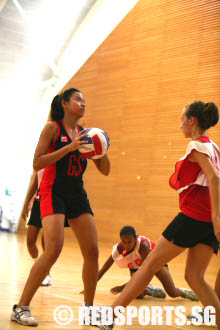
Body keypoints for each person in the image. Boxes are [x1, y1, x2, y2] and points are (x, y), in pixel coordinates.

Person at [96, 101, 220, 330]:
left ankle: (110, 316)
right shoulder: (213, 146)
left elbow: (214, 178)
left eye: (182, 119)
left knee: (149, 265)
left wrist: (216, 217)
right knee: (195, 277)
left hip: (194, 217)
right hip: (206, 224)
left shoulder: (197, 145)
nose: (180, 124)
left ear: (192, 121)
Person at [11, 88, 110, 326]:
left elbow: (105, 170)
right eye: (78, 99)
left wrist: (101, 147)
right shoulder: (53, 128)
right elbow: (37, 162)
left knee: (93, 251)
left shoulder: (86, 133)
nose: (83, 103)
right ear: (64, 104)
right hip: (53, 190)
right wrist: (69, 147)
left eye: (85, 99)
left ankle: (88, 310)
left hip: (77, 193)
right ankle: (21, 307)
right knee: (54, 248)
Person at [97, 225, 198, 301]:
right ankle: (149, 289)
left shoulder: (143, 246)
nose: (126, 245)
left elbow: (145, 272)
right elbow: (105, 267)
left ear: (135, 238)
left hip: (156, 263)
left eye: (129, 242)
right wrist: (91, 285)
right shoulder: (120, 247)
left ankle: (185, 293)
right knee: (137, 294)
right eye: (124, 241)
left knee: (172, 292)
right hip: (138, 265)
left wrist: (123, 287)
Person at [21, 170, 70, 286]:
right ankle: (40, 268)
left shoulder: (58, 157)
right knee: (30, 242)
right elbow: (35, 182)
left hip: (54, 200)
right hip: (39, 201)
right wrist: (26, 203)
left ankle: (46, 274)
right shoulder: (41, 159)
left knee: (47, 244)